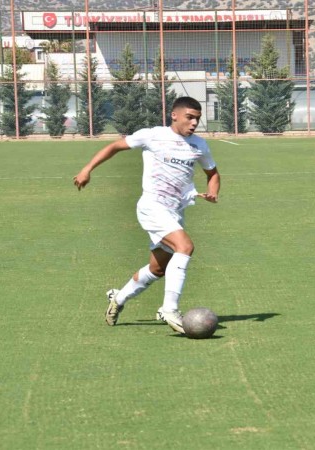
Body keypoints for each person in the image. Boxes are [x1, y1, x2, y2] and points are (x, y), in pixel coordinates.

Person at [73, 97, 220, 333]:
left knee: (158, 268)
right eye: (190, 117)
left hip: (175, 212)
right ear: (174, 115)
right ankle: (169, 309)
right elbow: (114, 147)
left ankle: (118, 298)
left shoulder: (199, 145)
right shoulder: (152, 135)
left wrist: (213, 192)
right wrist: (87, 169)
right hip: (152, 207)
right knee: (185, 246)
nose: (194, 123)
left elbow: (212, 173)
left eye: (197, 119)